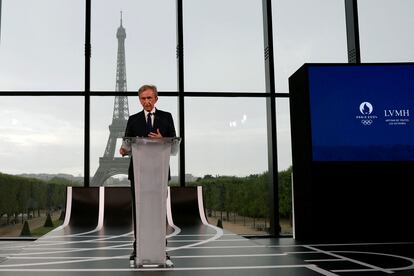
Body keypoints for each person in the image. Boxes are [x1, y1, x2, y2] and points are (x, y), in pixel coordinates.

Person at [119, 84, 176, 268]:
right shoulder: (133, 120)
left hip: (158, 173)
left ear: (156, 98)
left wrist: (162, 140)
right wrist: (123, 149)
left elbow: (174, 147)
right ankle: (138, 249)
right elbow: (127, 144)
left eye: (150, 98)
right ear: (139, 100)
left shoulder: (166, 118)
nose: (147, 101)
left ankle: (162, 249)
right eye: (143, 99)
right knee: (140, 212)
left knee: (159, 212)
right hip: (139, 173)